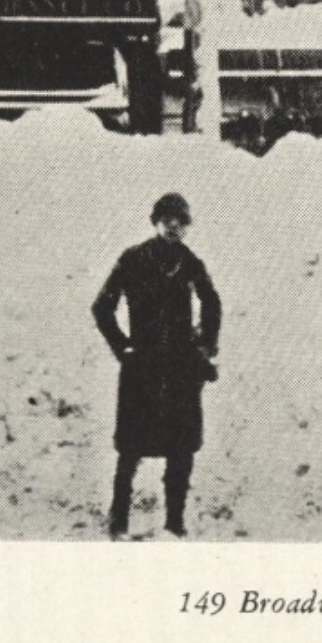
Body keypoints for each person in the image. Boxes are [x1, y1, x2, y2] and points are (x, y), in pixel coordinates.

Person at [92, 192, 222, 538]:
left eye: (180, 220)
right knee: (131, 449)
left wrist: (204, 349)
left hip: (180, 370)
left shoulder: (190, 263)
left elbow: (212, 303)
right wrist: (124, 349)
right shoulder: (133, 259)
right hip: (142, 371)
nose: (173, 226)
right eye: (166, 219)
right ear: (155, 222)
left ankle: (174, 524)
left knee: (181, 451)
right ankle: (118, 522)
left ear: (187, 225)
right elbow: (102, 308)